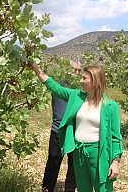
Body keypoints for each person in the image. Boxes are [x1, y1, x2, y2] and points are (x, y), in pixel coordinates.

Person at [29, 62, 123, 192]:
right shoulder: (76, 96)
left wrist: (115, 161)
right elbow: (55, 88)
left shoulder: (110, 106)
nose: (81, 80)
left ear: (95, 82)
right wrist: (36, 70)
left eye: (84, 78)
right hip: (79, 152)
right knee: (83, 189)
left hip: (98, 153)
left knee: (103, 189)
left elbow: (115, 137)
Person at [42, 61, 81, 192]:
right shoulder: (58, 87)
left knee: (74, 166)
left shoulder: (81, 91)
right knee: (53, 161)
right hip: (58, 130)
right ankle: (47, 188)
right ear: (65, 70)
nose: (77, 73)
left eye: (79, 71)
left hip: (75, 132)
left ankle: (69, 189)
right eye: (74, 70)